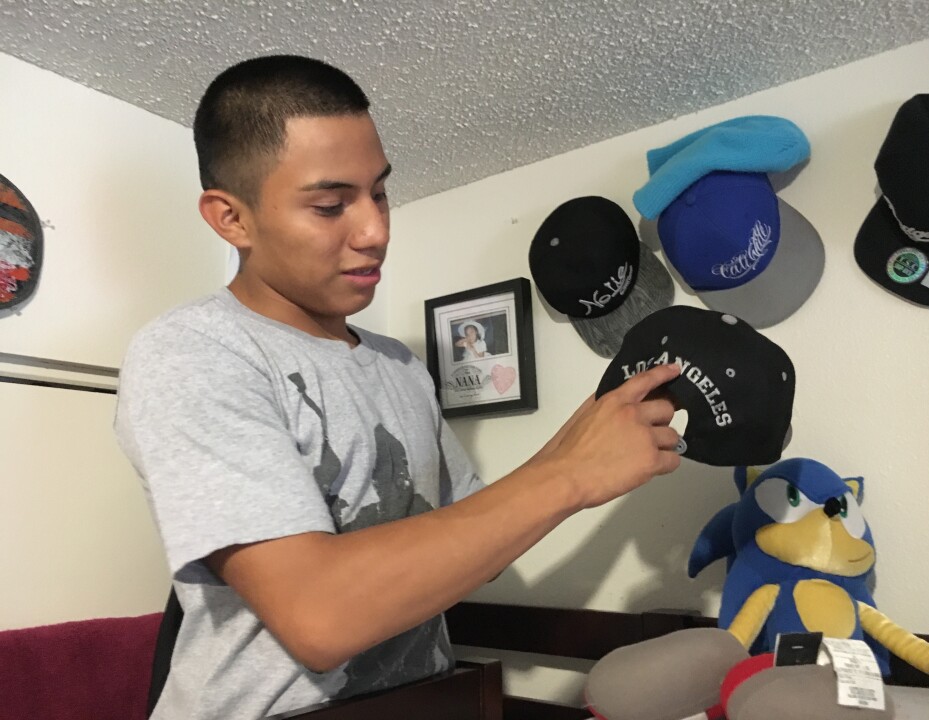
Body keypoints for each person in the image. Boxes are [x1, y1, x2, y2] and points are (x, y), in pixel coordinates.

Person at [114, 54, 682, 720]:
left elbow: (476, 550)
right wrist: (568, 476)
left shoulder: (400, 367)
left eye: (378, 192)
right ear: (230, 218)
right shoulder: (192, 352)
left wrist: (575, 452)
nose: (376, 230)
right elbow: (318, 617)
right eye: (331, 205)